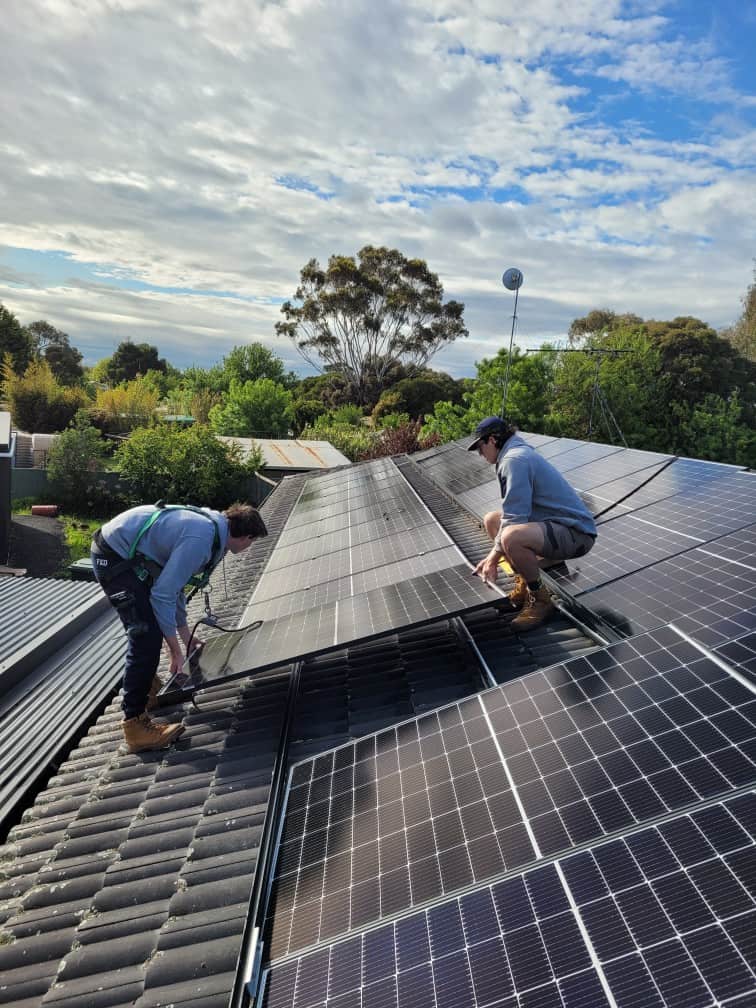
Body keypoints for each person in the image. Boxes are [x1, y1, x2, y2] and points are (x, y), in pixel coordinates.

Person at [91, 501, 268, 752]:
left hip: (128, 554)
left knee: (149, 628)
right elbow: (163, 594)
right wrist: (175, 649)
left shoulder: (213, 529)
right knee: (145, 636)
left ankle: (148, 690)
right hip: (113, 557)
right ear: (245, 536)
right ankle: (134, 725)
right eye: (252, 542)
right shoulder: (200, 538)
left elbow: (175, 590)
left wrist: (186, 638)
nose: (249, 547)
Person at [468, 417, 596, 630]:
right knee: (492, 520)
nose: (480, 454)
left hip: (576, 534)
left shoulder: (515, 459)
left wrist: (492, 558)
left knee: (511, 536)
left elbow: (515, 519)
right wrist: (495, 554)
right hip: (553, 527)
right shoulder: (512, 455)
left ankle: (540, 598)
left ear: (492, 440)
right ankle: (524, 582)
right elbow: (512, 515)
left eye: (480, 448)